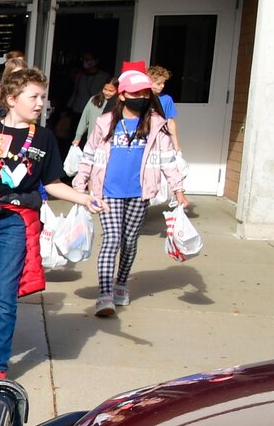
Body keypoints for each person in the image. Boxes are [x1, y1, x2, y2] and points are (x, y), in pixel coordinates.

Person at [0, 67, 101, 390]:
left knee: (5, 296)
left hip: (15, 224)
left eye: (42, 97)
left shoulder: (44, 138)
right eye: (34, 97)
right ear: (10, 99)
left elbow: (52, 183)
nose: (40, 103)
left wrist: (83, 198)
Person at [72, 68, 190, 317]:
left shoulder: (157, 124)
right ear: (122, 95)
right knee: (112, 239)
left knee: (129, 242)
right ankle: (105, 295)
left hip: (139, 193)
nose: (142, 96)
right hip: (108, 192)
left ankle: (121, 284)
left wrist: (179, 190)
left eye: (146, 92)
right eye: (137, 92)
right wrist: (80, 186)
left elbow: (168, 160)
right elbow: (89, 155)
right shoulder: (105, 123)